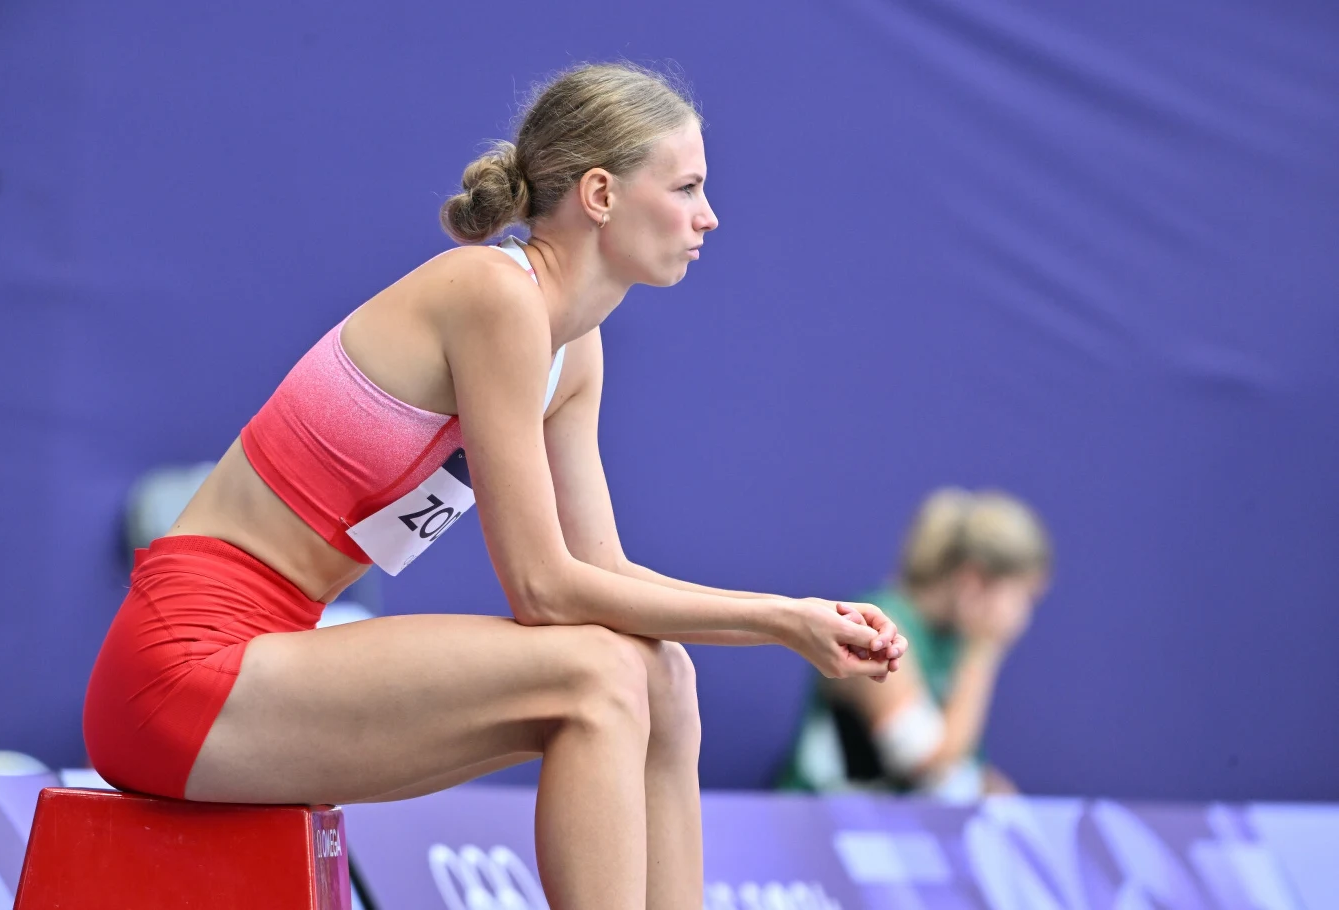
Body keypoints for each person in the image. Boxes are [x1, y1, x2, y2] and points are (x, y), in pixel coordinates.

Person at [82, 62, 908, 908]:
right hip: (178, 673)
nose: (709, 215)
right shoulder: (494, 295)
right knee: (598, 673)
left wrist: (799, 613)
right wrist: (780, 624)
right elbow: (544, 591)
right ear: (600, 194)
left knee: (663, 675)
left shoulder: (573, 351)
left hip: (270, 657)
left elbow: (603, 572)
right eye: (687, 187)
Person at [781, 488, 1051, 801]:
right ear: (973, 581)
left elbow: (959, 763)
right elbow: (924, 762)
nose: (1024, 616)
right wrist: (983, 651)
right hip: (818, 818)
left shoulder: (954, 640)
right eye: (1023, 597)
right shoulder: (878, 630)